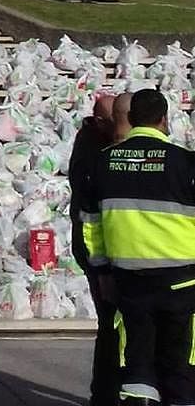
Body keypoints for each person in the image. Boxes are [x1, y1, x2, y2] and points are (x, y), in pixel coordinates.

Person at [82, 89, 195, 406]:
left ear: (130, 119)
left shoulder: (103, 162)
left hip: (129, 281)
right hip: (182, 282)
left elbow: (91, 224)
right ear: (164, 120)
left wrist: (102, 271)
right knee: (180, 363)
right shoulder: (186, 163)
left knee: (137, 362)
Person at [69, 94, 120, 406]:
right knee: (111, 324)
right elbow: (90, 213)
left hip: (114, 249)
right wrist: (101, 268)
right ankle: (105, 394)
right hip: (98, 251)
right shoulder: (93, 151)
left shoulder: (97, 144)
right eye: (116, 121)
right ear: (101, 122)